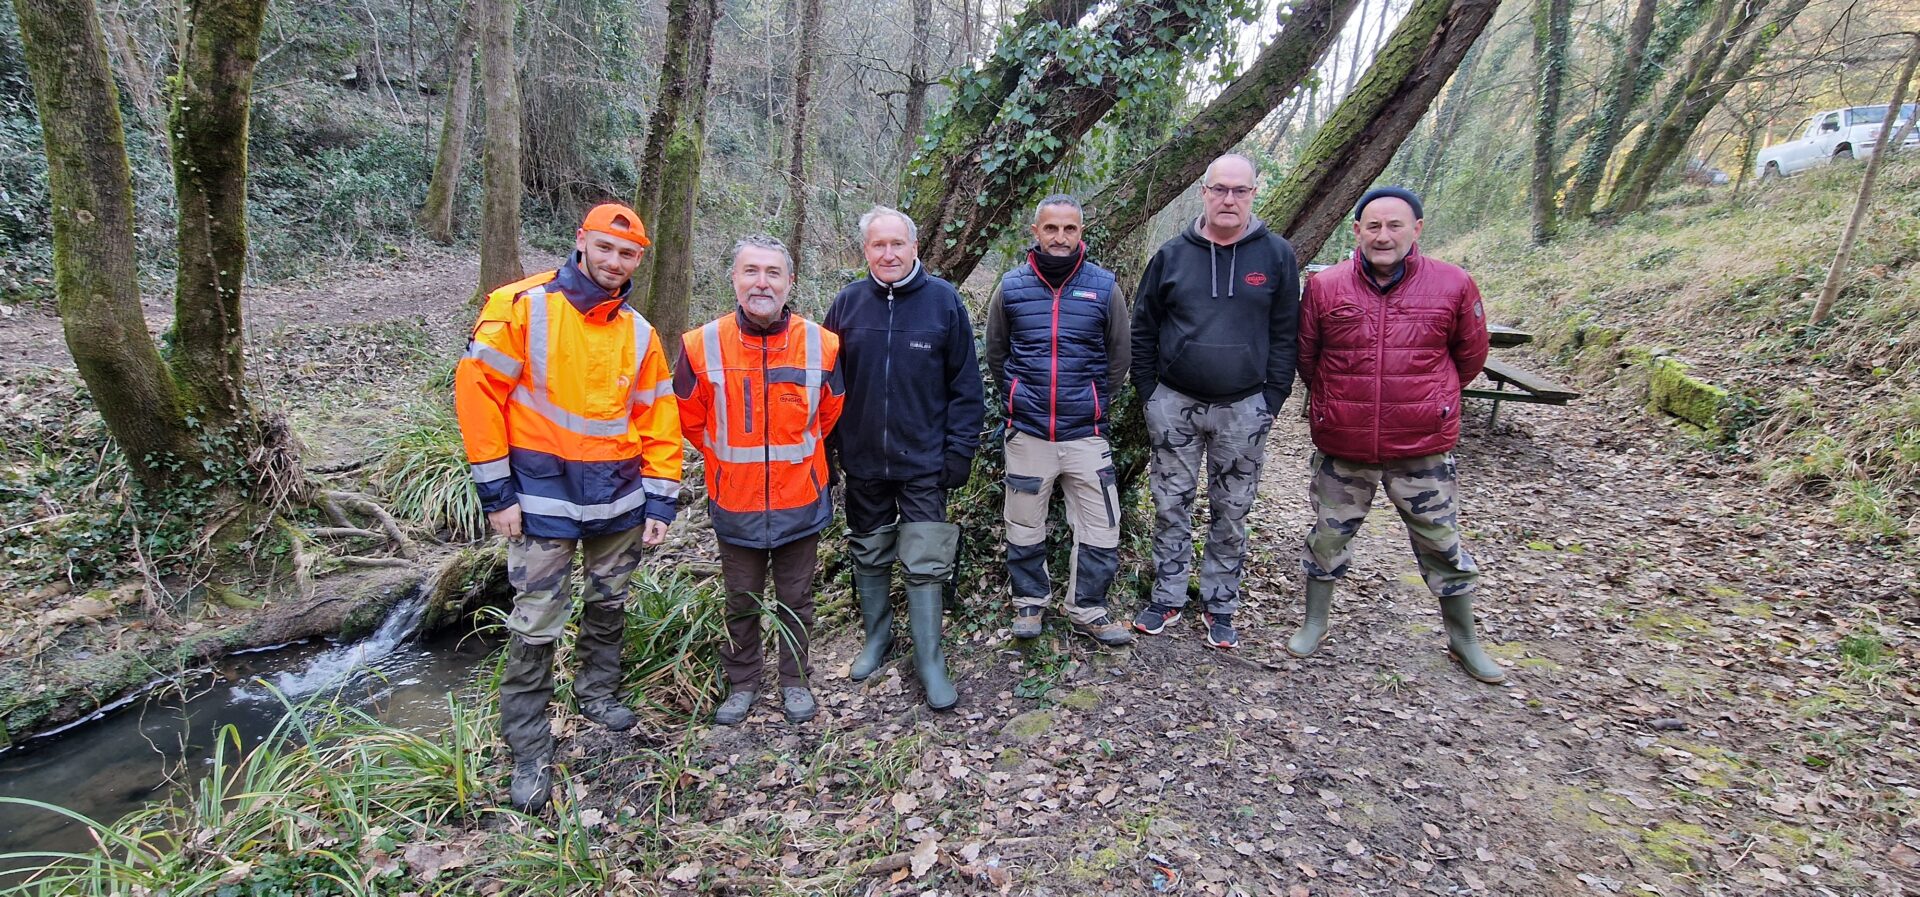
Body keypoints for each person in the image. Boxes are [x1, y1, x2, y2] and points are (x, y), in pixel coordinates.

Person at [454, 202, 683, 813]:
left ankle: (596, 694)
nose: (614, 262)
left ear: (639, 260)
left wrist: (662, 498)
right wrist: (496, 493)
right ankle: (528, 748)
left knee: (609, 604)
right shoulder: (521, 306)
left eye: (627, 254)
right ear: (581, 243)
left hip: (618, 501)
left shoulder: (640, 332)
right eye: (604, 248)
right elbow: (477, 398)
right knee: (534, 624)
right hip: (539, 500)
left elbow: (659, 418)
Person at [1286, 186, 1504, 684]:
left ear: (1416, 230)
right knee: (1326, 537)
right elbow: (1308, 357)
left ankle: (1463, 639)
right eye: (1374, 226)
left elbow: (1470, 356)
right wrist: (1338, 403)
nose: (1384, 236)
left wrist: (1431, 400)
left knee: (1441, 542)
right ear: (1357, 230)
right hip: (1345, 444)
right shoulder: (1326, 287)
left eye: (1395, 225)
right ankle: (1314, 622)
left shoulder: (1453, 284)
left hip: (1421, 446)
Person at [1129, 154, 1300, 650]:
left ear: (1253, 194)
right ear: (1203, 191)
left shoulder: (1276, 256)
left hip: (1244, 407)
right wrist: (1150, 393)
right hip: (1175, 404)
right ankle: (1167, 596)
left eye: (1240, 191)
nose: (1229, 199)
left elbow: (1286, 334)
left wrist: (1272, 398)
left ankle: (1221, 602)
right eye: (1220, 189)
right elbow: (1144, 328)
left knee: (1232, 509)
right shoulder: (1171, 255)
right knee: (1170, 503)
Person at [674, 236, 845, 725]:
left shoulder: (822, 343)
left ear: (790, 281)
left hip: (801, 497)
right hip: (735, 499)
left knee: (797, 600)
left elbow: (829, 413)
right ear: (734, 279)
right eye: (751, 271)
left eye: (773, 272)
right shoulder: (700, 344)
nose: (762, 282)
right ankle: (743, 683)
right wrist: (730, 463)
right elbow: (687, 418)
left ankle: (795, 681)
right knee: (741, 602)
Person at [824, 205, 984, 711]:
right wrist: (830, 454)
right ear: (865, 250)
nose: (888, 253)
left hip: (925, 463)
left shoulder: (943, 303)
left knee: (925, 557)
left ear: (915, 247)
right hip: (864, 459)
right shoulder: (847, 305)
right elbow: (827, 388)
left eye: (898, 244)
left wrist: (959, 452)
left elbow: (966, 387)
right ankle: (878, 638)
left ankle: (929, 657)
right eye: (878, 245)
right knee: (869, 550)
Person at [982, 195, 1133, 646]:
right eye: (1052, 229)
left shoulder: (1104, 287)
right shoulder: (1010, 287)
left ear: (1080, 233)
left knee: (1102, 526)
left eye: (1070, 229)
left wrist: (1090, 401)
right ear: (1036, 232)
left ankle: (1088, 607)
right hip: (1028, 432)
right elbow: (996, 353)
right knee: (1023, 522)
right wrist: (1017, 397)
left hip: (1085, 434)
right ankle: (1030, 601)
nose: (1060, 238)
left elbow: (1119, 356)